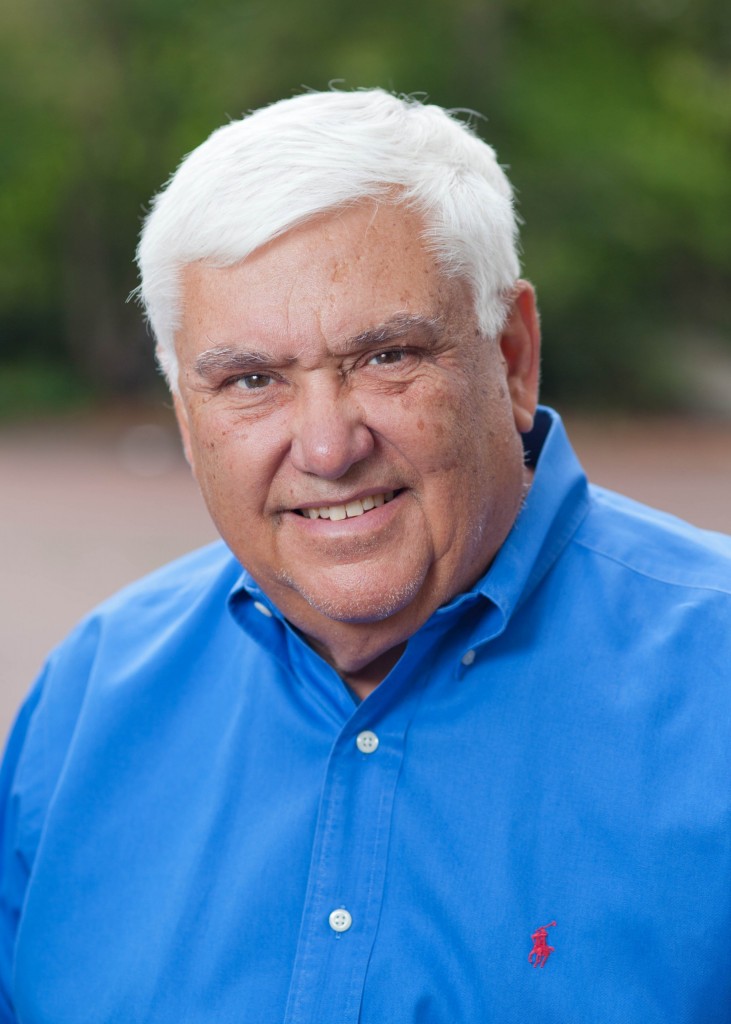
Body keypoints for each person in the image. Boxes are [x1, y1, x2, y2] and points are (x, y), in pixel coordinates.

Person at [1, 89, 730, 1024]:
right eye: (250, 380)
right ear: (186, 417)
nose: (326, 446)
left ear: (510, 355)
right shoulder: (93, 695)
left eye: (384, 357)